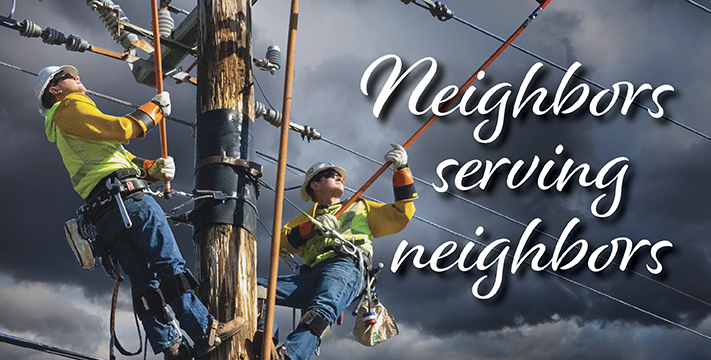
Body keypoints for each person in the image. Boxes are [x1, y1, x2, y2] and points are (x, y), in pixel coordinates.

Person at [36, 65, 244, 359]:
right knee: (168, 262)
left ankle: (171, 346)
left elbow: (123, 157)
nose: (77, 77)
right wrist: (155, 109)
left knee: (146, 282)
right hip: (129, 202)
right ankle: (204, 329)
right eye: (67, 76)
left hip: (106, 214)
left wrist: (154, 169)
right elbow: (123, 129)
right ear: (55, 90)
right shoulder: (70, 106)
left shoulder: (66, 128)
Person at [258, 144, 417, 360]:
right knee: (256, 288)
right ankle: (263, 341)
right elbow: (281, 244)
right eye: (331, 175)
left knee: (322, 308)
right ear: (315, 184)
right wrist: (312, 227)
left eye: (338, 175)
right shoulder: (305, 218)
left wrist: (402, 171)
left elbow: (402, 215)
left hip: (347, 265)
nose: (339, 177)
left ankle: (289, 355)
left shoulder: (360, 207)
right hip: (312, 274)